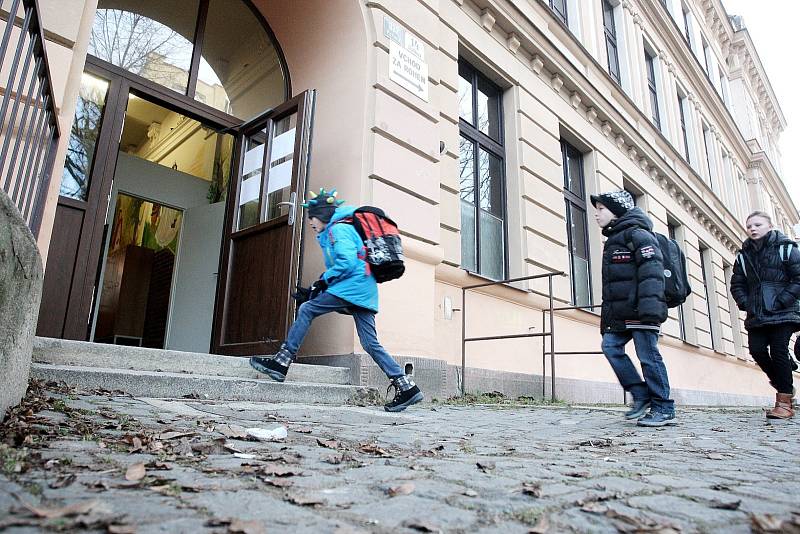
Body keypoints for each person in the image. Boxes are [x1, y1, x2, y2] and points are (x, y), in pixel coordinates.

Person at [249, 188, 424, 412]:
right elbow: (346, 265)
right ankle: (406, 386)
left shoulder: (338, 229)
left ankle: (281, 362)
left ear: (321, 214)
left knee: (307, 310)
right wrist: (317, 287)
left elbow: (347, 263)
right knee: (370, 343)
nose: (310, 222)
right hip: (363, 289)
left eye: (312, 217)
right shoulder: (341, 228)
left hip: (353, 287)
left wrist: (320, 283)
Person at [591, 191, 675, 427]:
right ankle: (640, 393)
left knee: (648, 356)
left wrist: (649, 308)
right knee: (610, 346)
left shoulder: (638, 234)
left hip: (642, 308)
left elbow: (652, 270)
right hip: (622, 310)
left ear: (616, 211)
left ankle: (663, 407)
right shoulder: (615, 238)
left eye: (601, 209)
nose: (596, 214)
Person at [730, 211, 800, 419]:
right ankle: (782, 382)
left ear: (769, 226)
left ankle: (784, 403)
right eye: (749, 225)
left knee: (778, 350)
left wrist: (782, 300)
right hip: (757, 312)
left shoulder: (786, 249)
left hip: (784, 311)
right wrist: (746, 303)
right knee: (757, 350)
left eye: (758, 225)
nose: (752, 228)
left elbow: (798, 278)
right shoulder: (743, 256)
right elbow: (737, 284)